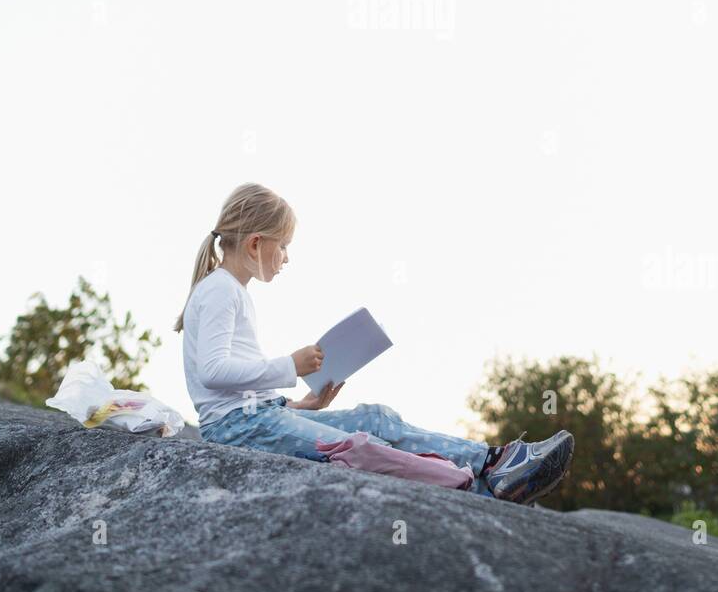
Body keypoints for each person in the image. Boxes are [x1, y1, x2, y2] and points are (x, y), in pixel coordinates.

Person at [175, 182, 574, 506]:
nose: (286, 258)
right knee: (357, 447)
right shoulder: (220, 291)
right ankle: (476, 489)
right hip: (238, 430)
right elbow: (213, 373)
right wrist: (290, 367)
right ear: (255, 244)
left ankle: (495, 461)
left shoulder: (230, 291)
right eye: (283, 246)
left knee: (375, 418)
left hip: (254, 419)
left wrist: (300, 406)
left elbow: (236, 390)